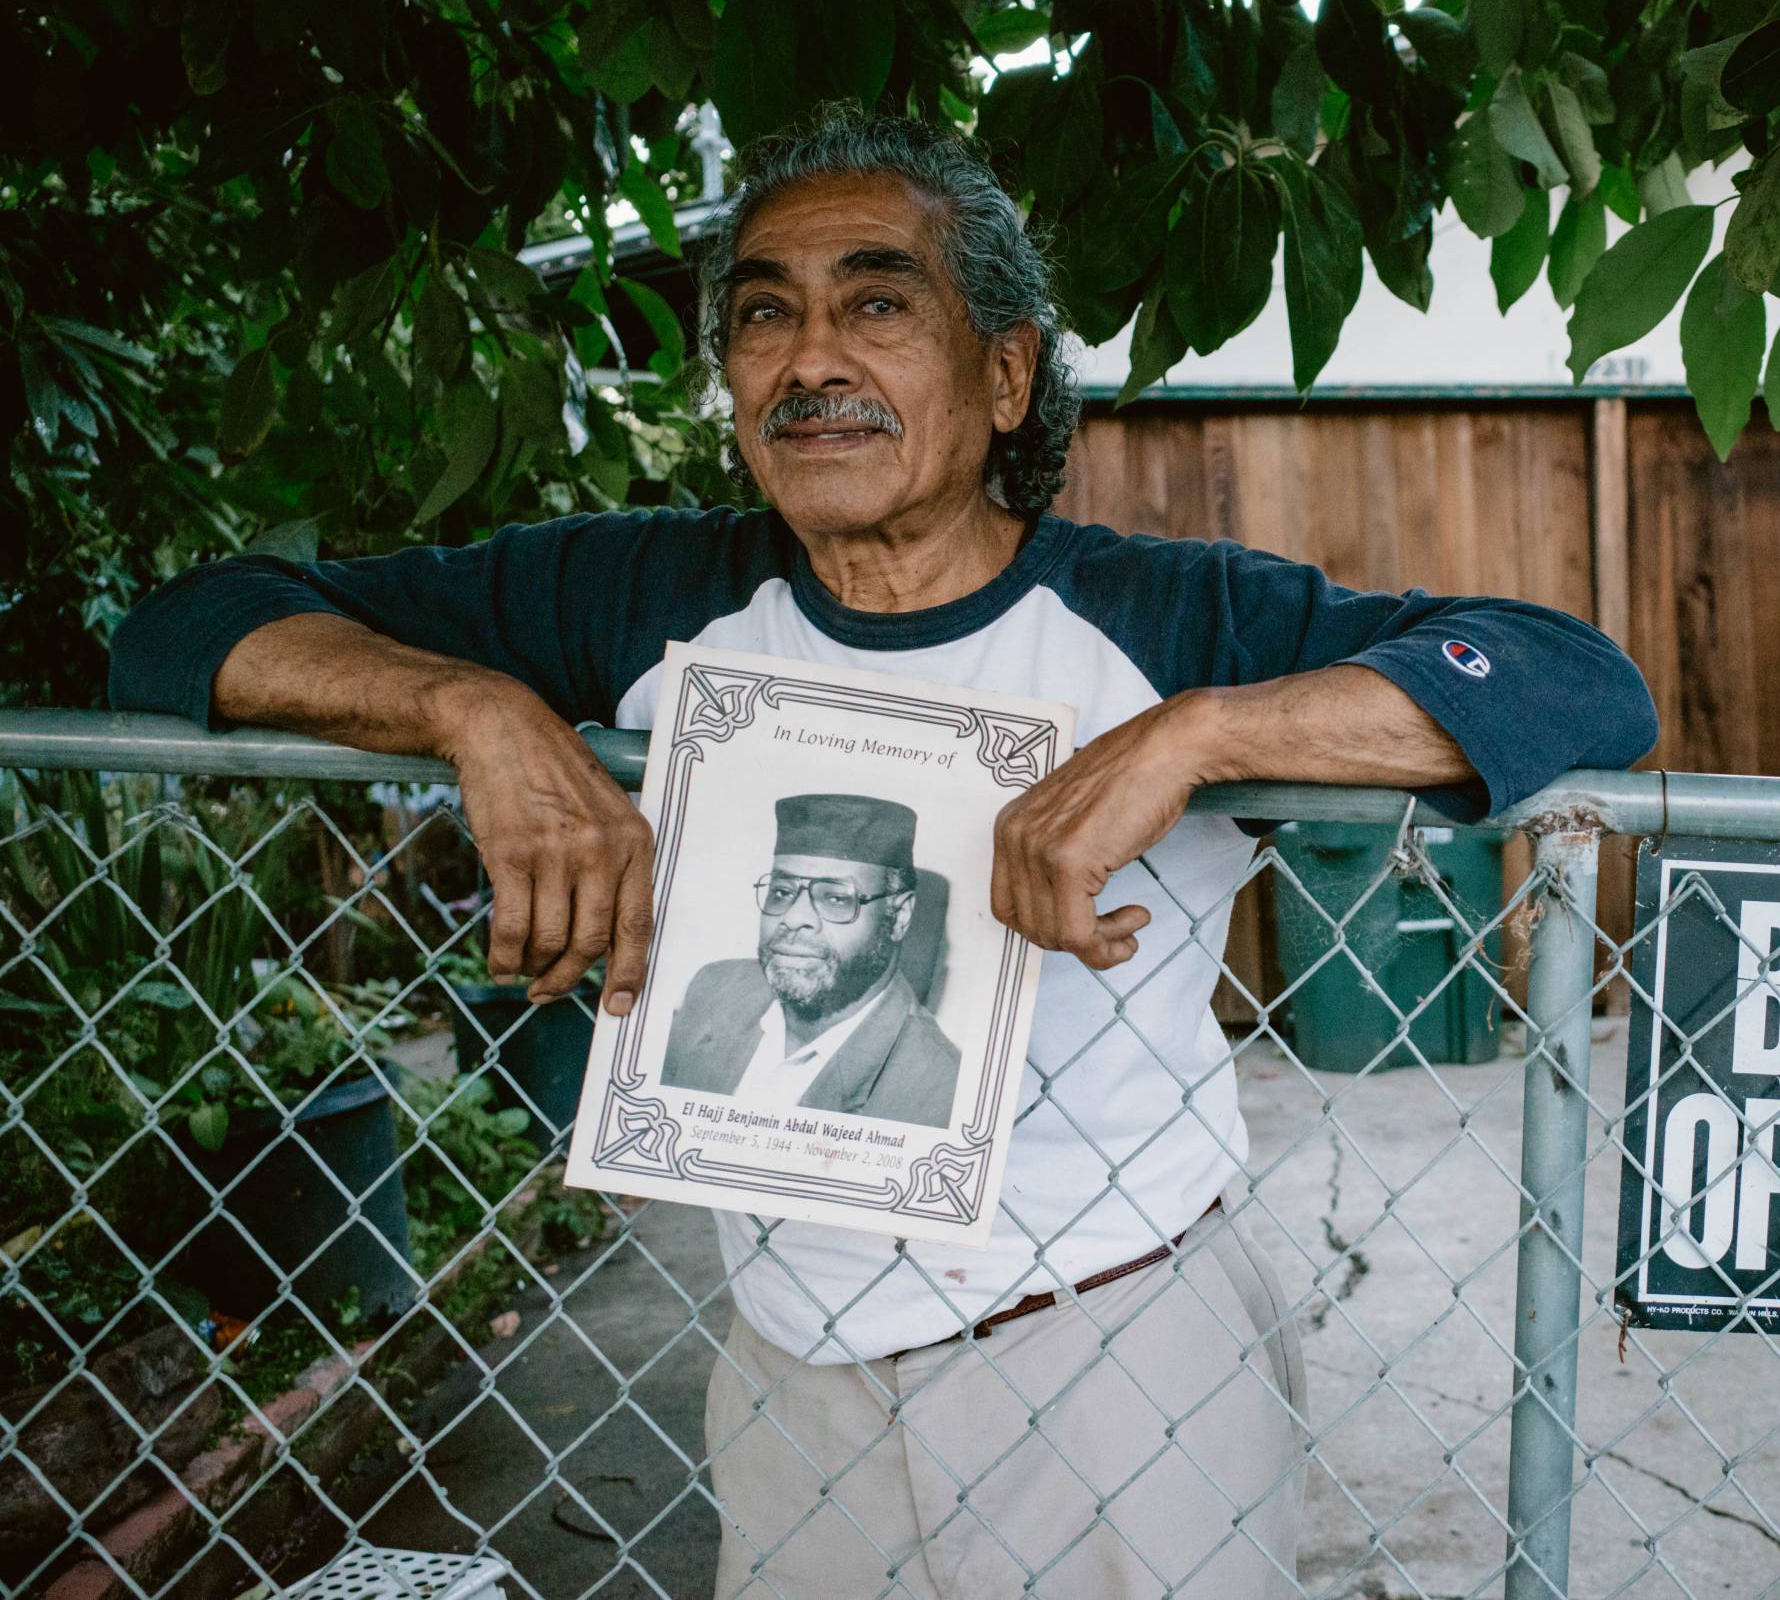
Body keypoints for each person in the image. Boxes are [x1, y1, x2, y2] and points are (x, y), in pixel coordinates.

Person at [107, 106, 1658, 1598]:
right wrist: (473, 704)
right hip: (789, 1365)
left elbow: (1574, 677)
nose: (814, 359)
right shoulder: (641, 590)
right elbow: (188, 625)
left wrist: (1194, 733)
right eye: (765, 316)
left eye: (877, 303)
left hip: (1109, 1341)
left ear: (1003, 374)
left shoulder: (1158, 614)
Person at [661, 793, 960, 1124]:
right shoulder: (715, 989)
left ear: (900, 916)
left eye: (835, 898)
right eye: (783, 892)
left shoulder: (938, 1094)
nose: (793, 917)